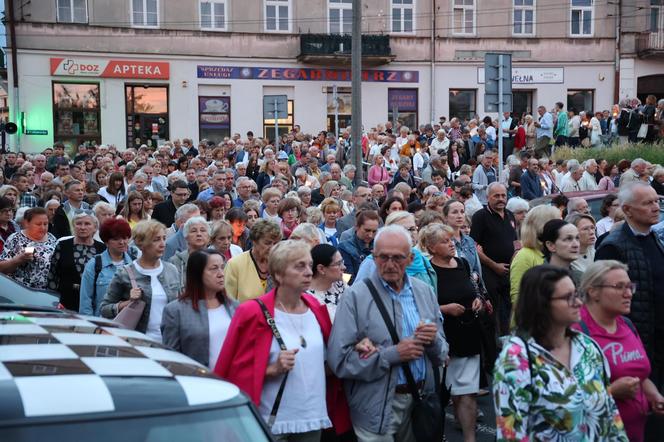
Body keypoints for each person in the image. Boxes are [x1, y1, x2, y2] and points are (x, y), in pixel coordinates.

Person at [216, 240, 350, 440]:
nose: (308, 271)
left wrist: (356, 347)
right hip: (272, 421)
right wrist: (271, 369)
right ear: (278, 274)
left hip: (312, 417)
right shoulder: (252, 312)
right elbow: (229, 371)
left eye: (309, 265)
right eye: (299, 266)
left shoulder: (314, 307)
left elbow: (327, 361)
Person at [327, 225, 448, 441]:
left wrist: (433, 342)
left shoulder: (423, 291)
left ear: (410, 259)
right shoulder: (355, 297)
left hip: (419, 401)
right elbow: (339, 360)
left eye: (398, 258)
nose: (390, 264)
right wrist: (391, 355)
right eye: (383, 257)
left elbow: (442, 354)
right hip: (375, 405)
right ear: (373, 257)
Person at [493, 265, 627, 440]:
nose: (579, 302)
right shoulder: (515, 360)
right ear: (541, 303)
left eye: (577, 294)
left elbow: (611, 416)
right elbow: (511, 434)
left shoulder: (587, 347)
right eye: (568, 297)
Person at [573, 260, 664, 442]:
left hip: (637, 431)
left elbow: (639, 373)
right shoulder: (577, 331)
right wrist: (612, 391)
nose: (628, 293)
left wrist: (654, 395)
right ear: (593, 291)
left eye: (630, 286)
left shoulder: (626, 324)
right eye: (619, 287)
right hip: (598, 434)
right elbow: (565, 397)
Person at [596, 183, 664, 401]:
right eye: (648, 203)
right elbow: (604, 305)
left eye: (657, 201)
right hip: (636, 345)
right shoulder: (613, 247)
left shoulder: (653, 237)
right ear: (627, 210)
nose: (656, 207)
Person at [421, 223, 484, 442]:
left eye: (451, 240)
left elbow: (474, 290)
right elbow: (421, 305)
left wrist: (478, 300)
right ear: (431, 247)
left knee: (467, 390)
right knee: (443, 392)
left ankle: (469, 438)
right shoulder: (427, 270)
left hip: (468, 333)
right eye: (444, 241)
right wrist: (445, 309)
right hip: (444, 337)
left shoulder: (463, 264)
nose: (451, 244)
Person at [101, 220, 181, 339]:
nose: (162, 244)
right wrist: (128, 303)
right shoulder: (125, 273)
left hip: (169, 340)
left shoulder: (171, 269)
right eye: (156, 239)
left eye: (164, 238)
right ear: (140, 243)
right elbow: (104, 309)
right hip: (137, 341)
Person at [161, 249, 239, 369]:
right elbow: (171, 358)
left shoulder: (233, 306)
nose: (221, 273)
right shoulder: (175, 311)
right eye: (214, 268)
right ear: (197, 273)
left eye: (222, 267)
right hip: (196, 382)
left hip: (231, 382)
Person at [470, 182, 517, 335]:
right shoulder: (480, 217)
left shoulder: (510, 215)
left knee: (509, 311)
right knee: (493, 314)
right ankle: (494, 348)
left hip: (509, 271)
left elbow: (515, 242)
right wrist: (494, 265)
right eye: (496, 196)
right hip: (489, 272)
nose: (500, 199)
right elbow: (474, 247)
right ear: (488, 197)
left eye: (503, 195)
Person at [47, 211, 106, 311]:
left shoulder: (102, 248)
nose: (82, 227)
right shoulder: (63, 245)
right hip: (65, 301)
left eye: (87, 224)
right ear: (73, 226)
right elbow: (53, 275)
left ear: (95, 228)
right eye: (79, 223)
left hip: (93, 301)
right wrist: (52, 300)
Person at [509, 205, 561, 310]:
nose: (563, 225)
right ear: (543, 227)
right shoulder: (524, 256)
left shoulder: (554, 252)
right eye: (557, 222)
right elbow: (518, 298)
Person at [79, 218, 134, 316]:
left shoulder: (135, 262)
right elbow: (85, 302)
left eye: (125, 238)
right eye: (116, 239)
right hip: (102, 324)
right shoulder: (94, 265)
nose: (122, 242)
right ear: (106, 241)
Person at [0, 207, 58, 289]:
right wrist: (17, 260)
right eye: (38, 224)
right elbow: (1, 269)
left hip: (46, 293)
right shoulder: (15, 238)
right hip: (21, 291)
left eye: (45, 224)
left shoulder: (52, 239)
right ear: (27, 223)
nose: (43, 227)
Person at [225, 219, 282, 302]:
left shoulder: (282, 264)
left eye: (276, 243)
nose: (273, 247)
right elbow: (228, 303)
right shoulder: (235, 265)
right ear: (254, 241)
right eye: (267, 243)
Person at [307, 243, 348, 322]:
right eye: (338, 264)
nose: (344, 267)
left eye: (342, 262)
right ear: (321, 269)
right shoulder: (308, 297)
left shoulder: (340, 284)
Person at [168, 216, 210, 291]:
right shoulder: (175, 261)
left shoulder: (217, 259)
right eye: (194, 231)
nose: (199, 234)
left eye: (203, 230)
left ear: (209, 236)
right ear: (186, 236)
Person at [337, 209, 379, 285]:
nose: (370, 235)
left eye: (374, 231)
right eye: (367, 230)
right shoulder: (344, 247)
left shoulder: (380, 247)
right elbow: (346, 277)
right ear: (357, 227)